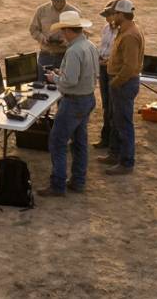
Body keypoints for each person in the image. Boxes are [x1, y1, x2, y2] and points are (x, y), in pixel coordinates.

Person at [37, 10, 98, 197]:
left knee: (57, 142)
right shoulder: (89, 45)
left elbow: (70, 81)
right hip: (87, 98)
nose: (62, 34)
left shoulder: (73, 51)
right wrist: (61, 74)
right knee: (79, 142)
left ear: (68, 30)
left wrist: (55, 78)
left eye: (63, 30)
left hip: (74, 101)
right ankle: (78, 181)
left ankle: (58, 185)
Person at [100, 0, 144, 175]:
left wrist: (115, 82)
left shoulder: (129, 35)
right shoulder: (125, 30)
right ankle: (115, 154)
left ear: (121, 14)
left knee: (124, 123)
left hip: (124, 84)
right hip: (122, 82)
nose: (112, 17)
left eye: (115, 13)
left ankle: (126, 162)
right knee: (117, 121)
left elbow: (129, 66)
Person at [29, 0, 79, 74]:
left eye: (61, 0)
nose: (58, 3)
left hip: (66, 55)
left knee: (65, 81)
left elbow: (81, 35)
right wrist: (43, 39)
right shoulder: (41, 11)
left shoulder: (74, 13)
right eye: (56, 0)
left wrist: (67, 42)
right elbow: (33, 29)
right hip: (46, 54)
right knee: (41, 79)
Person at [93, 0, 119, 150]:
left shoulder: (121, 32)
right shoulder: (106, 29)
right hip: (103, 68)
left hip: (112, 70)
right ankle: (106, 138)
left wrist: (108, 61)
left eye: (109, 15)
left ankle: (113, 141)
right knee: (106, 105)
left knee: (113, 106)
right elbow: (103, 47)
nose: (107, 19)